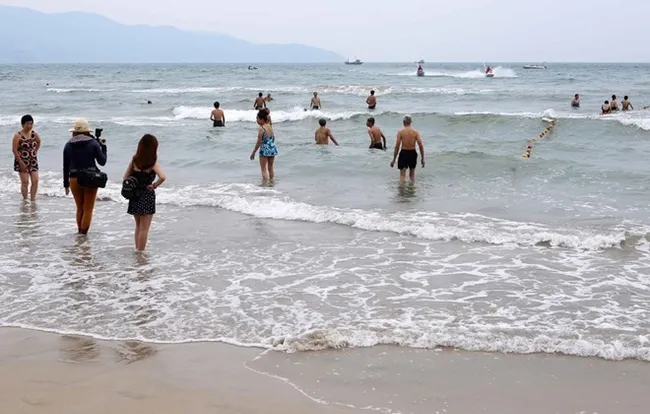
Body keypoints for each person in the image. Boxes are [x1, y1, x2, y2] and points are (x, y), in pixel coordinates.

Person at [63, 119, 107, 234]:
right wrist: (104, 148)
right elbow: (102, 162)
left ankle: (80, 235)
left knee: (79, 207)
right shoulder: (93, 143)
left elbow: (65, 166)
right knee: (88, 209)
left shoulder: (68, 145)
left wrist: (65, 184)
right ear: (87, 131)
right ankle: (83, 236)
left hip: (73, 178)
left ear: (74, 132)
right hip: (90, 178)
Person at [123, 134, 166, 252]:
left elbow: (125, 177)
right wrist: (154, 185)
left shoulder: (134, 160)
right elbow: (162, 177)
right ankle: (140, 252)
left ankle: (137, 249)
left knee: (138, 226)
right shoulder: (152, 162)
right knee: (144, 228)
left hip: (135, 195)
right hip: (147, 195)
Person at [12, 114, 41, 201]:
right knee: (25, 182)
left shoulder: (33, 133)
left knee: (35, 181)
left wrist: (35, 151)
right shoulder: (18, 135)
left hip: (32, 160)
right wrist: (20, 162)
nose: (29, 126)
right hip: (22, 160)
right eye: (27, 124)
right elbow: (14, 150)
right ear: (23, 124)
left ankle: (32, 200)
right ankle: (25, 200)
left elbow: (39, 142)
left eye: (31, 124)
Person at [390, 115, 425, 184]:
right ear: (410, 122)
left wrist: (394, 159)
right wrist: (422, 158)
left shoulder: (401, 132)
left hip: (404, 153)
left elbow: (397, 146)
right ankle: (412, 190)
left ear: (403, 122)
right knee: (412, 174)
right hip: (413, 153)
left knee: (402, 175)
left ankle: (402, 191)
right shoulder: (415, 132)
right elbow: (420, 145)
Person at [250, 110, 277, 182]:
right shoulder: (269, 126)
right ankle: (271, 183)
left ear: (261, 119)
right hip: (272, 147)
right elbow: (273, 138)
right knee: (270, 168)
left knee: (263, 169)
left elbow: (259, 142)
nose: (256, 120)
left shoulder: (261, 129)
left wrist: (253, 152)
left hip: (264, 149)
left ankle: (265, 186)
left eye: (257, 119)